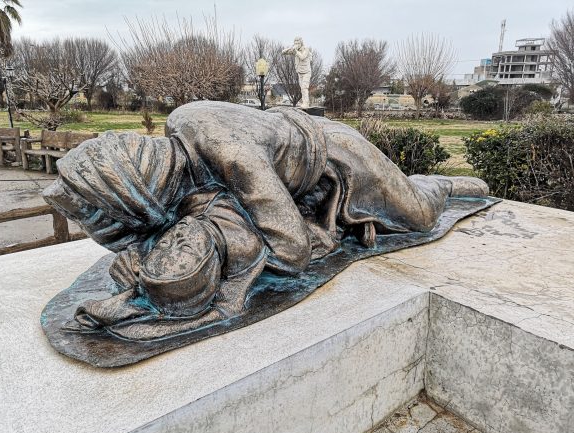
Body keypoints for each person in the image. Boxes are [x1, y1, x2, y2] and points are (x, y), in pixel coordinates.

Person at [44, 101, 488, 340]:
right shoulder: (176, 160)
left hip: (340, 159)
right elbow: (167, 228)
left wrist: (217, 269)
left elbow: (292, 250)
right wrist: (138, 257)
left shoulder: (226, 152)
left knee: (422, 213)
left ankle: (446, 183)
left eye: (108, 212)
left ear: (136, 191)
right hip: (293, 189)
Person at [282, 37, 312, 108]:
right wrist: (290, 48)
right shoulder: (295, 50)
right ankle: (305, 102)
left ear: (301, 43)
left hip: (306, 72)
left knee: (304, 87)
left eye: (298, 43)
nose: (297, 44)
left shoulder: (306, 49)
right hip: (300, 72)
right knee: (302, 88)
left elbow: (302, 57)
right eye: (295, 43)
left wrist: (295, 51)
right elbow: (283, 52)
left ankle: (306, 103)